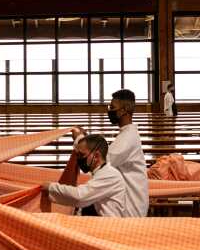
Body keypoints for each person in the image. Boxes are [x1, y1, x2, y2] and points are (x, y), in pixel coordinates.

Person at [72, 89, 148, 218]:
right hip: (124, 200)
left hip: (130, 207)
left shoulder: (128, 137)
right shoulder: (126, 134)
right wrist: (85, 139)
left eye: (112, 107)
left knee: (82, 203)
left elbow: (103, 159)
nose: (109, 110)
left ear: (123, 110)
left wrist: (79, 139)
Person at [43, 135, 128, 217]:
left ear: (96, 156)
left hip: (109, 228)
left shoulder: (110, 175)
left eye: (82, 155)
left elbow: (80, 197)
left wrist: (50, 187)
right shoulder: (99, 174)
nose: (79, 159)